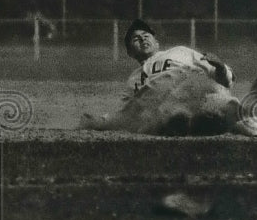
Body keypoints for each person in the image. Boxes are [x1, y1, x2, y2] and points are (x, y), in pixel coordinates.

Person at [80, 19, 240, 134]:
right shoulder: (134, 79)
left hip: (194, 91)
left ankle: (207, 117)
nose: (142, 38)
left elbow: (225, 80)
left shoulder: (180, 52)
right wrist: (102, 121)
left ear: (157, 43)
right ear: (130, 52)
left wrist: (219, 66)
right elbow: (127, 114)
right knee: (156, 114)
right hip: (161, 107)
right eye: (136, 39)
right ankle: (192, 121)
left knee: (222, 103)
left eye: (146, 35)